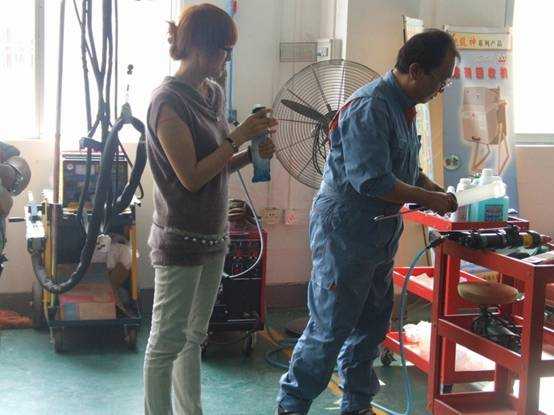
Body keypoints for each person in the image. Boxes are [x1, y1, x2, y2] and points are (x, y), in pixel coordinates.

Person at [276, 29, 459, 415]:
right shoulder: (370, 107)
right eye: (440, 80)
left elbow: (404, 169)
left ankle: (357, 404)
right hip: (345, 230)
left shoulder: (404, 109)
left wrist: (435, 191)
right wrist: (428, 200)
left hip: (379, 231)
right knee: (331, 328)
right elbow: (372, 180)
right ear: (415, 70)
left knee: (372, 326)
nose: (441, 89)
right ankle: (292, 405)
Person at [143, 4, 277, 415]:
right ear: (200, 47)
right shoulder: (168, 102)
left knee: (193, 337)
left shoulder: (211, 94)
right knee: (166, 342)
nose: (227, 59)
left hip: (213, 236)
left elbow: (217, 163)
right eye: (224, 50)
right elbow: (191, 176)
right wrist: (238, 137)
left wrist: (251, 154)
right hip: (180, 239)